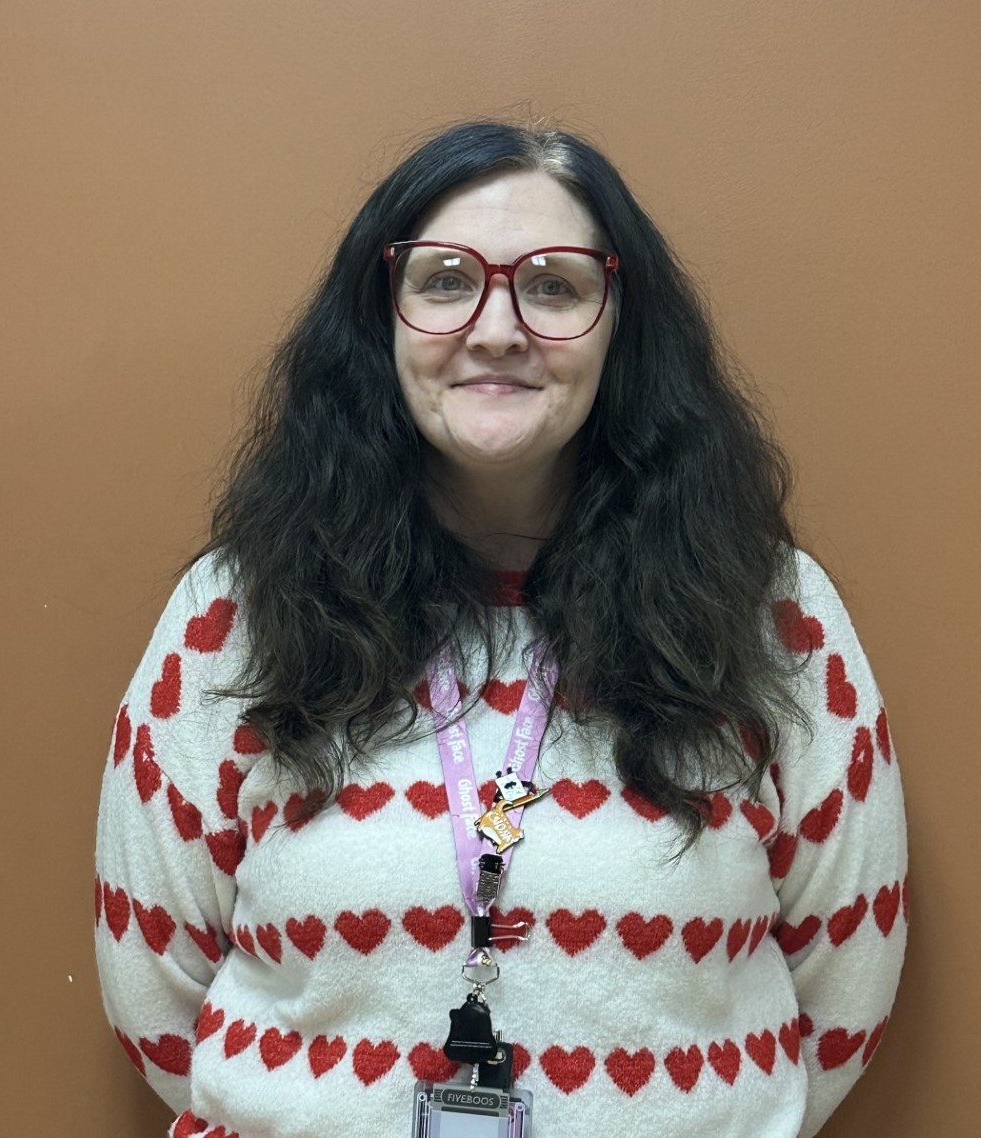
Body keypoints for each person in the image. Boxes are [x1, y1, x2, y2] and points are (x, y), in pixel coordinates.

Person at [95, 121, 907, 1138]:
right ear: (378, 316)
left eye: (553, 287)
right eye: (444, 280)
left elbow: (844, 985)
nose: (496, 328)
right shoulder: (235, 614)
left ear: (621, 326)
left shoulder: (770, 613)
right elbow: (151, 984)